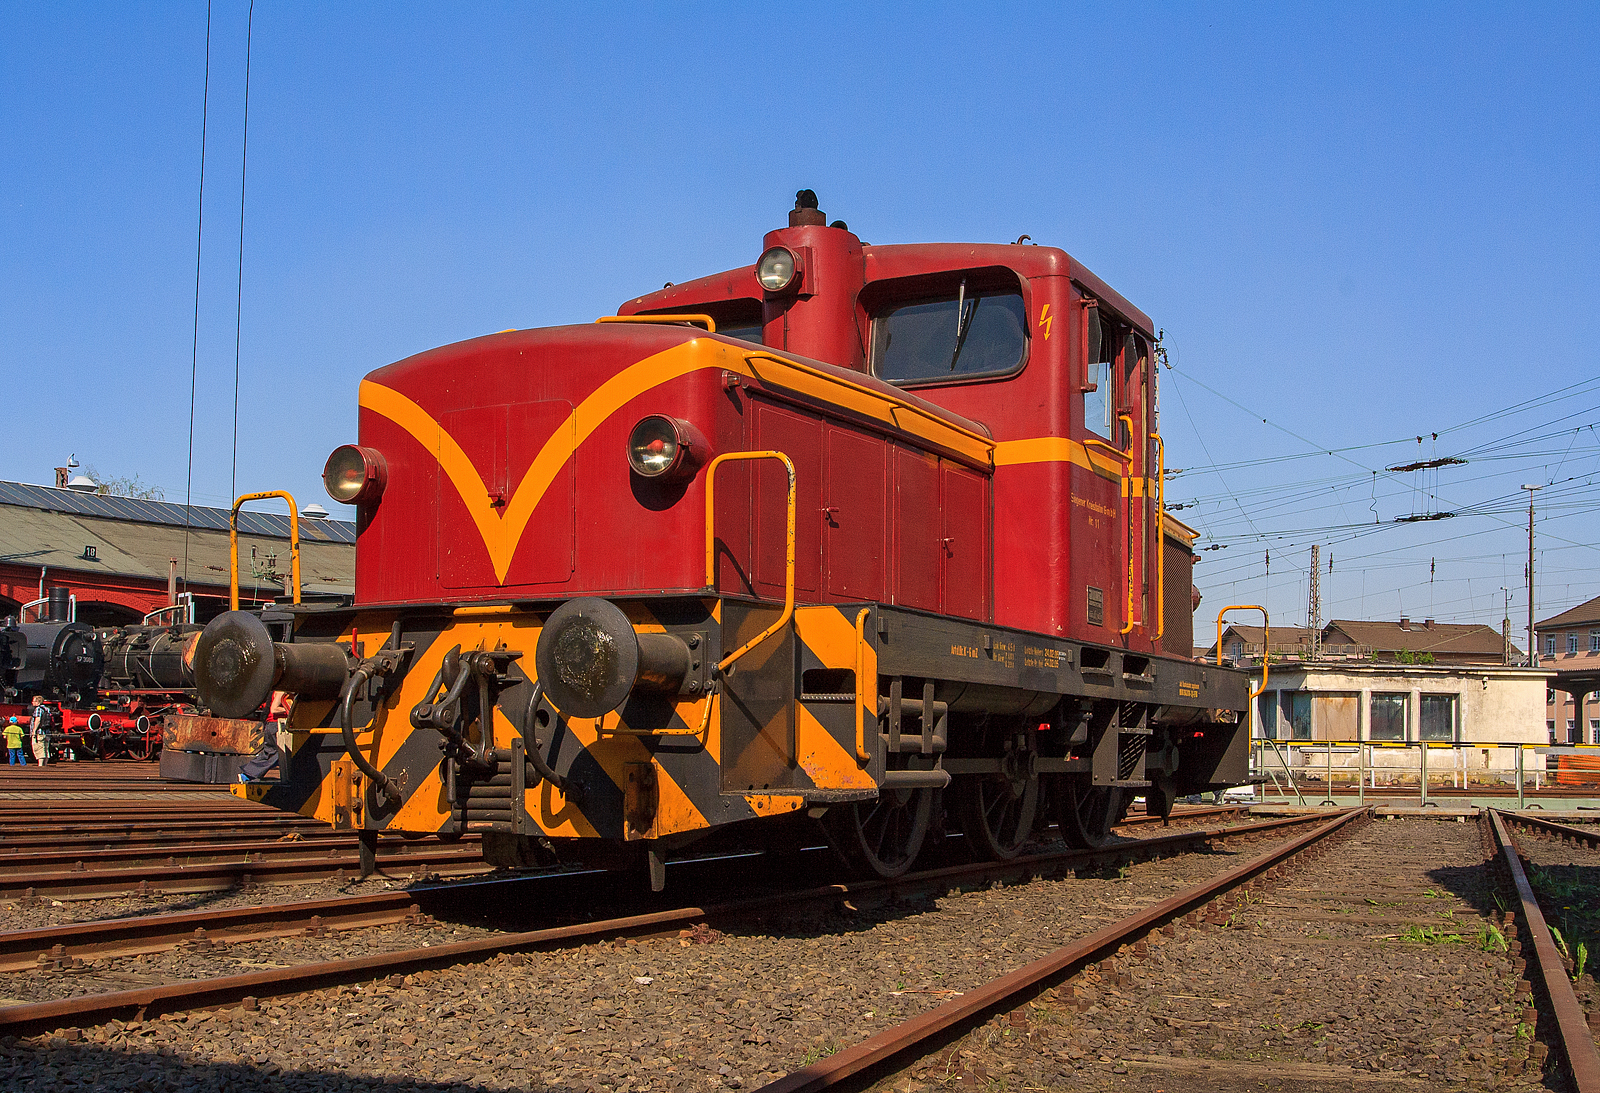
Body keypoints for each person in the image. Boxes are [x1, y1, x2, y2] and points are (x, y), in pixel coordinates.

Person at [29, 697, 50, 767]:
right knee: (46, 748)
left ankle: (40, 765)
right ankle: (45, 764)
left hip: (39, 732)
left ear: (38, 702)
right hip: (47, 732)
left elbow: (38, 719)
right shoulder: (47, 709)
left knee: (39, 747)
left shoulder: (38, 709)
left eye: (33, 701)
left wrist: (34, 730)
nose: (32, 702)